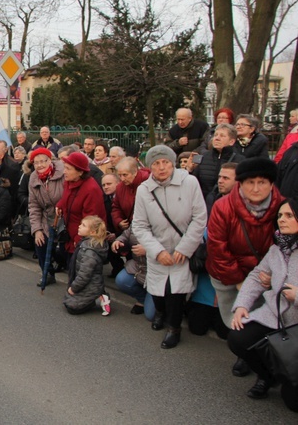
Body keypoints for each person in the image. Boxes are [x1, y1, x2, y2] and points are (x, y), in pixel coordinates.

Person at [207, 157, 282, 374]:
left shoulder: (283, 206)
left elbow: (285, 247)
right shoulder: (223, 207)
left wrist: (271, 275)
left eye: (262, 182)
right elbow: (217, 247)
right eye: (250, 182)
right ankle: (245, 354)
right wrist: (239, 279)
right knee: (235, 319)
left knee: (263, 320)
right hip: (229, 275)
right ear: (241, 183)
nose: (256, 188)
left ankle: (264, 359)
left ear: (271, 183)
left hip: (264, 276)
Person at [133, 145, 207, 349]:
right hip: (158, 248)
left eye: (165, 162)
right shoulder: (143, 190)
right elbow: (139, 225)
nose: (162, 167)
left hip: (183, 249)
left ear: (172, 163)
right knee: (158, 292)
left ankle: (174, 328)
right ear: (150, 167)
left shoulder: (189, 182)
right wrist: (157, 251)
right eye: (156, 164)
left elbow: (200, 217)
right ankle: (160, 312)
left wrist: (185, 248)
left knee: (175, 292)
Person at [228, 198, 298, 410]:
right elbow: (258, 275)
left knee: (293, 402)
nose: (282, 220)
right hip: (275, 315)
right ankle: (267, 376)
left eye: (289, 215)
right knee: (238, 337)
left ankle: (288, 378)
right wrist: (242, 306)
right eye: (280, 216)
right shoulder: (277, 249)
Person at [112, 156, 153, 317]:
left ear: (135, 172)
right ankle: (143, 298)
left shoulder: (148, 185)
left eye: (125, 175)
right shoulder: (122, 187)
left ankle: (154, 298)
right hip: (132, 230)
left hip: (149, 234)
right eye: (119, 175)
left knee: (151, 315)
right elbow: (116, 207)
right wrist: (118, 222)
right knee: (126, 277)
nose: (122, 179)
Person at [55, 151, 106, 256]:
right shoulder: (69, 181)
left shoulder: (91, 189)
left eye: (68, 169)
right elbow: (66, 198)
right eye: (65, 168)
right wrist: (60, 204)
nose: (64, 172)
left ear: (80, 172)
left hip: (84, 242)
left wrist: (79, 239)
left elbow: (91, 219)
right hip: (70, 235)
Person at [27, 147, 65, 288]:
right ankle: (47, 273)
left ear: (51, 161)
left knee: (63, 250)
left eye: (43, 161)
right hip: (46, 216)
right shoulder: (33, 178)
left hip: (63, 216)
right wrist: (37, 229)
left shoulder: (63, 173)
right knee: (40, 242)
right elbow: (34, 205)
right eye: (36, 162)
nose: (40, 165)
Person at [64, 216, 110, 315]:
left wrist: (74, 288)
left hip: (91, 285)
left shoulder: (89, 252)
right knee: (67, 301)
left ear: (92, 232)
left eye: (83, 225)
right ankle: (98, 295)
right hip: (89, 284)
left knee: (72, 308)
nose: (79, 226)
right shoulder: (85, 244)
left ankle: (99, 297)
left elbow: (84, 274)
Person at [191, 123, 244, 197]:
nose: (217, 138)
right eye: (215, 135)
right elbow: (194, 183)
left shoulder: (240, 161)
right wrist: (189, 170)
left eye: (222, 136)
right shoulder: (204, 157)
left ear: (231, 141)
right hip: (206, 203)